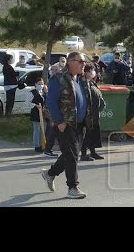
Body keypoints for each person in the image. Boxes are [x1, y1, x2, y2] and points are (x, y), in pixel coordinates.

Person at [41, 51, 91, 199]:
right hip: (65, 124)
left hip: (80, 123)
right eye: (80, 61)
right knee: (72, 155)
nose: (83, 64)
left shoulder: (81, 79)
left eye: (84, 62)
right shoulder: (59, 79)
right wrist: (59, 121)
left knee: (71, 154)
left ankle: (49, 174)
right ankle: (73, 187)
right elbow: (50, 102)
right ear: (70, 62)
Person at [80, 64, 106, 161]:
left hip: (94, 113)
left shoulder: (90, 82)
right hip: (87, 114)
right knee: (87, 134)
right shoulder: (82, 83)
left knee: (92, 134)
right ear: (86, 72)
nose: (93, 73)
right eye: (91, 71)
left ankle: (93, 152)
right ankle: (83, 154)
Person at [26, 78, 48, 153]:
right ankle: (37, 146)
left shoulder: (43, 92)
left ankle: (43, 144)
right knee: (37, 129)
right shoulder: (32, 92)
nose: (40, 85)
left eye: (42, 84)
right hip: (35, 112)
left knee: (43, 129)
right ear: (35, 84)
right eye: (39, 84)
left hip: (43, 113)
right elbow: (27, 102)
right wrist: (35, 105)